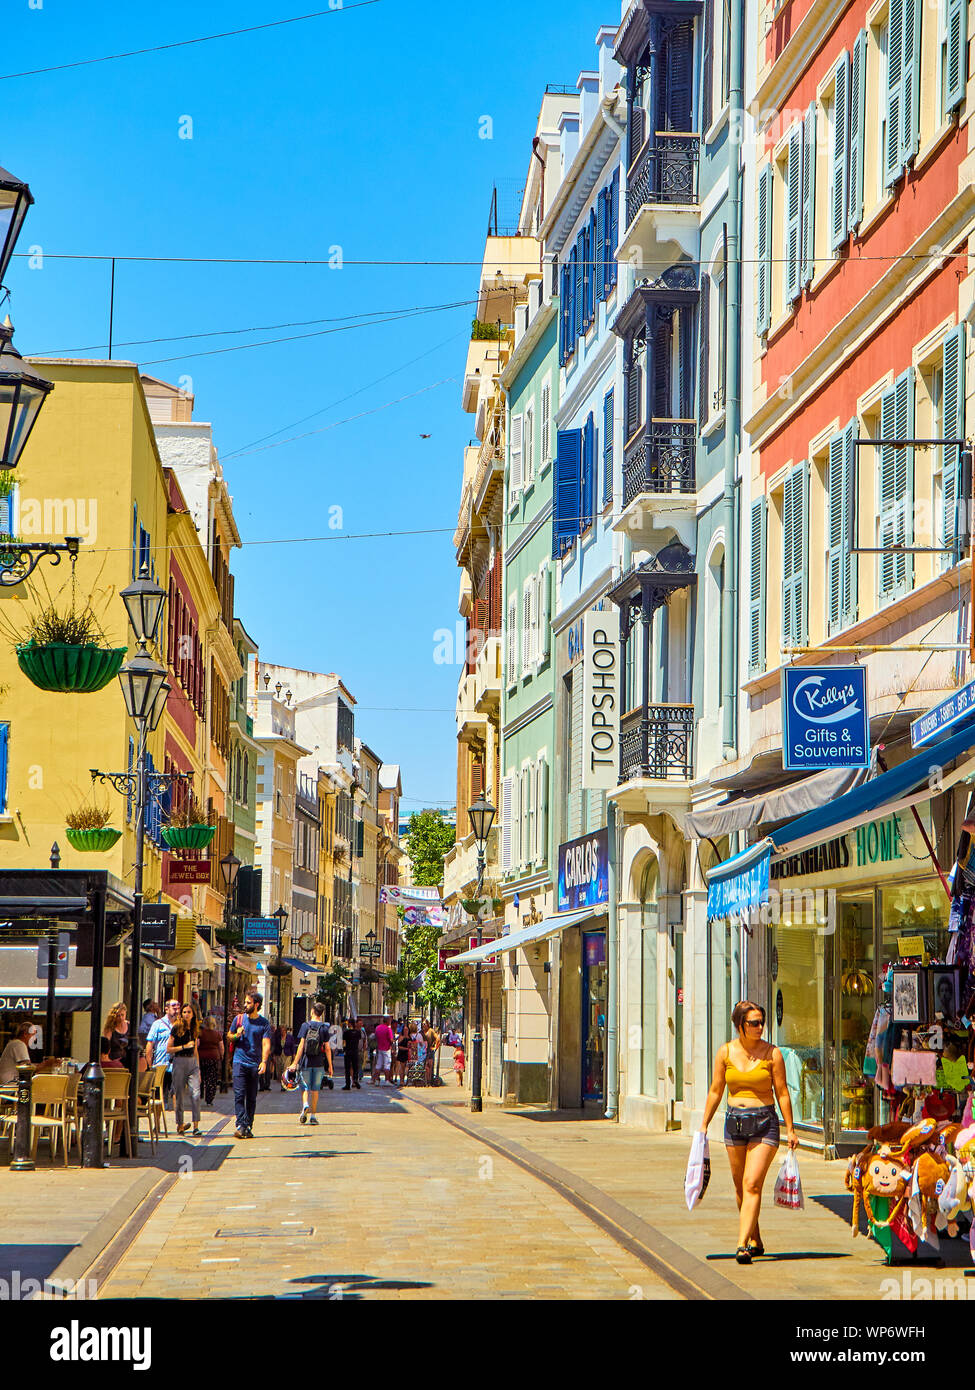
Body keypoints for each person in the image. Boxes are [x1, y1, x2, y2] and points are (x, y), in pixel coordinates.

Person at [700, 1000, 799, 1264]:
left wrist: (790, 1128)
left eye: (761, 1022)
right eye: (753, 1023)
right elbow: (715, 1090)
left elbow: (782, 1093)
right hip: (734, 1123)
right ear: (740, 1025)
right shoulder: (725, 1053)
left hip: (764, 1123)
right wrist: (703, 1124)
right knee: (740, 1188)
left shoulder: (772, 1054)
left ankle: (742, 1244)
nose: (759, 1028)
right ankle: (755, 1238)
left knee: (752, 1183)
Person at [228, 991, 272, 1138]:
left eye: (248, 1003)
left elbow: (266, 1044)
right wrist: (237, 1035)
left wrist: (264, 1062)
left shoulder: (264, 1023)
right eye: (245, 1002)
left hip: (254, 1064)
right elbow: (229, 1036)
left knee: (251, 1097)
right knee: (239, 1095)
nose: (245, 1005)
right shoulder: (239, 1019)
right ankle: (241, 1124)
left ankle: (248, 1125)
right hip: (239, 1061)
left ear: (256, 1004)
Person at [292, 1002, 333, 1123]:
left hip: (306, 1062)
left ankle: (305, 1104)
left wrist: (295, 1062)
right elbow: (327, 1048)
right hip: (319, 1063)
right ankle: (313, 1116)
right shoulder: (325, 1028)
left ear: (312, 1011)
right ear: (322, 1014)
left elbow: (301, 1046)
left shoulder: (305, 1026)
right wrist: (330, 1065)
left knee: (305, 1087)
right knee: (315, 1090)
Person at [168, 1004, 202, 1136]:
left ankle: (196, 1126)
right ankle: (180, 1124)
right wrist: (183, 1046)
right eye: (184, 1012)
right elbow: (169, 1048)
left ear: (193, 1014)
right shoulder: (177, 1027)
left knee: (196, 1094)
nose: (186, 1014)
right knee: (179, 1095)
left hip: (192, 1063)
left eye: (189, 1012)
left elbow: (195, 1050)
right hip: (179, 1061)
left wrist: (198, 1068)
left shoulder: (194, 1028)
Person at [145, 999, 180, 1106]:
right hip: (160, 1064)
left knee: (177, 1094)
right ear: (166, 1009)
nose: (176, 1008)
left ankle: (177, 1120)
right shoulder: (157, 1024)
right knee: (160, 1097)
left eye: (178, 1006)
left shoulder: (180, 1025)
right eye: (173, 1006)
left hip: (176, 1065)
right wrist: (149, 1065)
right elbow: (150, 1045)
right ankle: (159, 1120)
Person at [197, 1015, 224, 1106]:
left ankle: (199, 1094)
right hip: (213, 1058)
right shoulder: (217, 1034)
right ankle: (209, 1099)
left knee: (201, 1077)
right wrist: (221, 1056)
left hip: (201, 1057)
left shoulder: (200, 1033)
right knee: (211, 1079)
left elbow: (197, 1045)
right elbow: (221, 1047)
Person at [342, 1016, 362, 1090]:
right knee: (355, 1067)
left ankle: (347, 1084)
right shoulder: (358, 1032)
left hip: (348, 1051)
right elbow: (359, 1041)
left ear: (350, 1024)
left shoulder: (346, 1032)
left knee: (347, 1068)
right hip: (355, 1051)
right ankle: (355, 1080)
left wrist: (344, 1049)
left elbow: (344, 1042)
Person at [372, 1016, 393, 1086]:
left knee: (378, 1064)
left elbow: (375, 1037)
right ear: (387, 1021)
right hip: (386, 1049)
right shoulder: (388, 1029)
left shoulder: (377, 1028)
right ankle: (387, 1080)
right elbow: (391, 1040)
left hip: (379, 1048)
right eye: (389, 1021)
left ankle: (377, 1080)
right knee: (387, 1065)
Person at [423, 1018, 440, 1086]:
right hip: (423, 1051)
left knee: (429, 1066)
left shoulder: (431, 1031)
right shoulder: (422, 1031)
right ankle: (425, 1080)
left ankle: (429, 1081)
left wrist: (435, 1047)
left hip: (429, 1050)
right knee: (424, 1066)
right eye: (422, 1024)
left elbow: (438, 1038)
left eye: (424, 1024)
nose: (423, 1025)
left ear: (427, 1024)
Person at [393, 1018, 410, 1086]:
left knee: (407, 1068)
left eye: (407, 1030)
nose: (406, 1031)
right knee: (402, 1067)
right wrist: (406, 1049)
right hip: (402, 1053)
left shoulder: (409, 1037)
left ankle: (406, 1080)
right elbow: (399, 1046)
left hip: (407, 1054)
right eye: (405, 1030)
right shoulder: (401, 1037)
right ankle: (401, 1080)